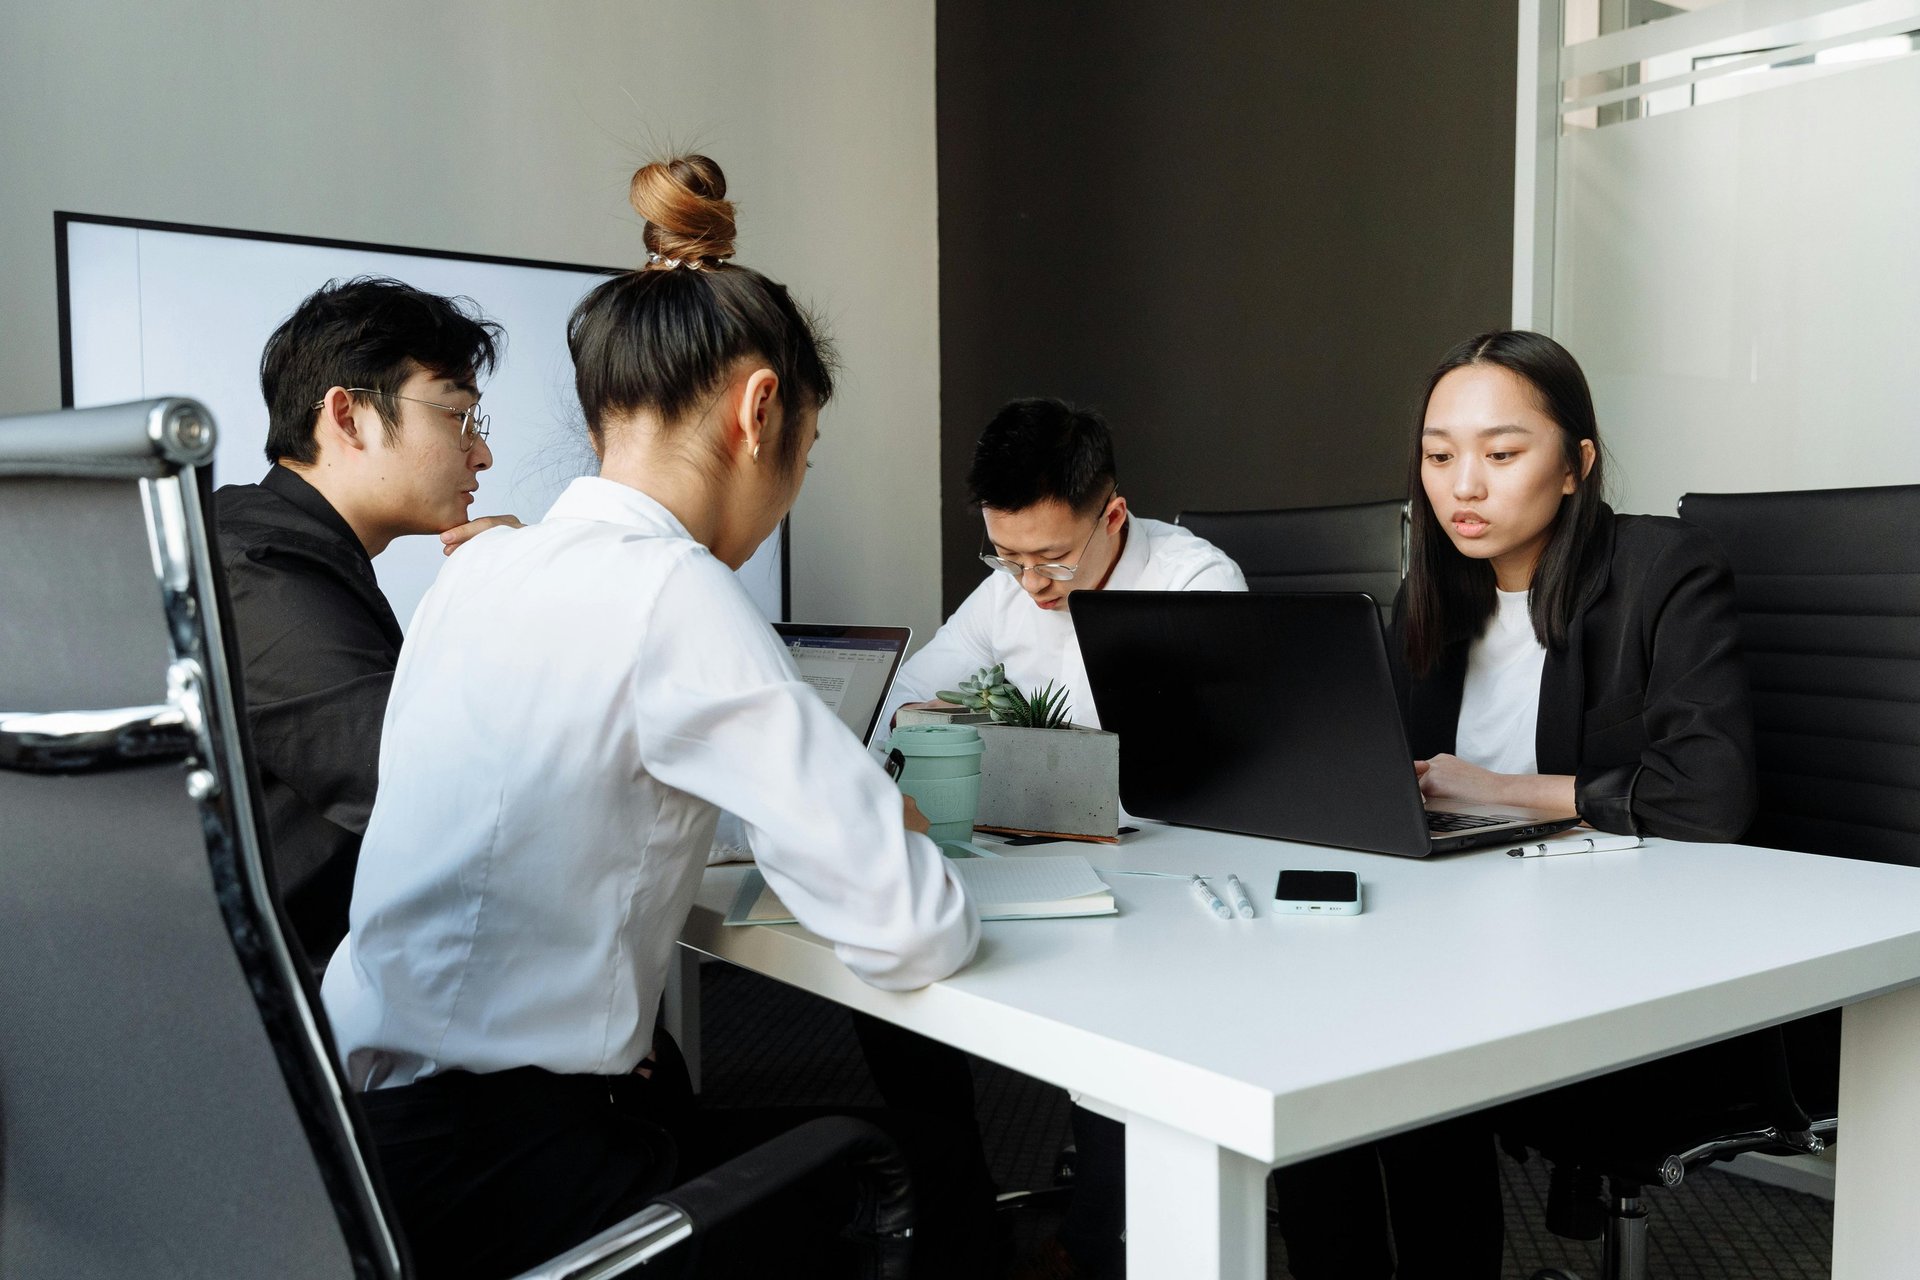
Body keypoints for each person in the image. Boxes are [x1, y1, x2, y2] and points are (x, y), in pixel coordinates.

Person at [319, 155, 981, 1280]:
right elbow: (912, 927)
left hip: (365, 1147)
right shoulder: (675, 588)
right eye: (806, 454)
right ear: (759, 412)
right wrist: (891, 824)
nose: (790, 493)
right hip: (511, 1173)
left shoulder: (480, 571)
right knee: (919, 1170)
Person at [1272, 329, 1758, 1279]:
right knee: (1309, 1034)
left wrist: (1504, 793)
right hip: (1461, 933)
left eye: (1500, 454)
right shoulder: (1432, 595)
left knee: (1392, 1043)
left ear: (1576, 466)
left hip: (1621, 943)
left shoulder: (1662, 572)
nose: (1464, 486)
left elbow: (1711, 792)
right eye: (1439, 456)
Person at [214, 277, 519, 965]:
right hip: (272, 996)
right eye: (456, 416)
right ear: (347, 418)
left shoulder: (279, 549)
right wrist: (535, 598)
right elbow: (439, 797)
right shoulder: (258, 572)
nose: (481, 453)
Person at [880, 397, 1245, 733]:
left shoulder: (1194, 586)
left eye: (1053, 559)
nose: (1031, 583)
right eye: (1008, 554)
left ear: (1112, 518)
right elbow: (896, 698)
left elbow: (1223, 749)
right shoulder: (1004, 589)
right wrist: (921, 717)